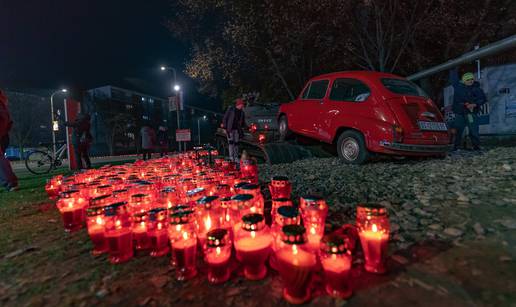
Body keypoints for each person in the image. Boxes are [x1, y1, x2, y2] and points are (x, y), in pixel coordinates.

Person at [449, 68, 487, 151]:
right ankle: (456, 147)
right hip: (460, 113)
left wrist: (475, 104)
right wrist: (453, 67)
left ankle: (476, 147)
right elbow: (453, 78)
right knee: (458, 130)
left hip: (470, 113)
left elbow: (483, 99)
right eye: (468, 79)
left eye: (471, 79)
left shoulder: (477, 89)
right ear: (463, 81)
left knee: (473, 130)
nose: (470, 81)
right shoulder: (458, 87)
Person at [0, 89, 19, 191]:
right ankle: (10, 181)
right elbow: (8, 122)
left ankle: (10, 182)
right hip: (3, 135)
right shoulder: (2, 104)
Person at [222, 98, 247, 163]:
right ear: (239, 104)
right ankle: (231, 157)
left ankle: (235, 157)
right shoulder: (231, 110)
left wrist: (247, 127)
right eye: (242, 104)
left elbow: (243, 122)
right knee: (231, 143)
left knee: (236, 143)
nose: (242, 106)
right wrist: (224, 128)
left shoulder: (242, 112)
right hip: (230, 129)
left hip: (237, 130)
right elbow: (225, 118)